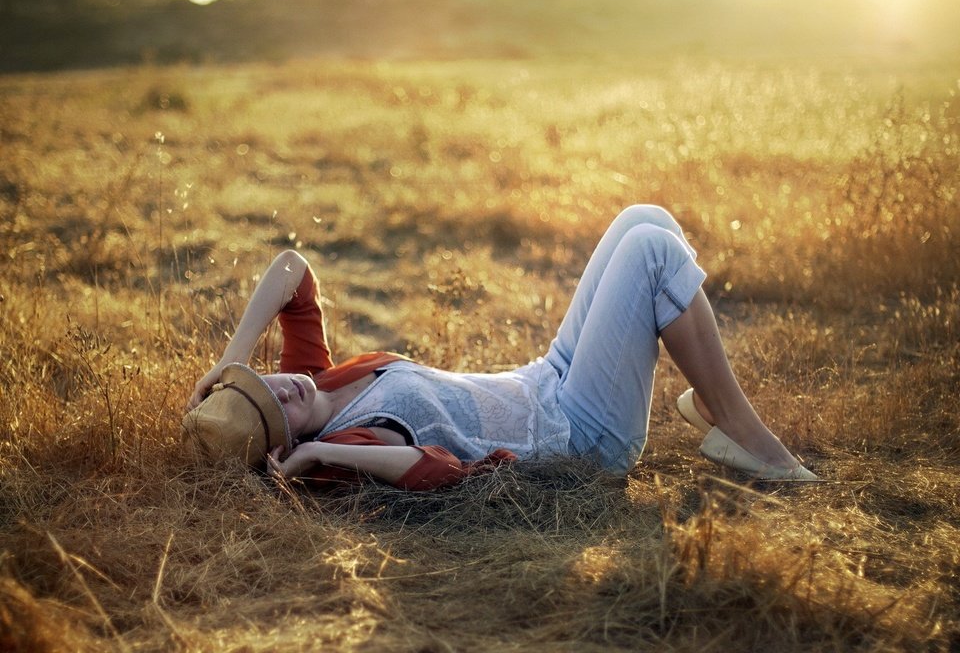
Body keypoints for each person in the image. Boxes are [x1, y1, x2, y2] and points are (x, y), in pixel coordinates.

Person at [182, 205, 817, 490]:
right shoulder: (346, 443)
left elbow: (292, 268)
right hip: (580, 435)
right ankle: (740, 430)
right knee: (652, 254)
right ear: (281, 446)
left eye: (264, 381)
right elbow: (434, 471)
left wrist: (231, 360)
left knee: (642, 219)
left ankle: (712, 402)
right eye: (277, 409)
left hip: (547, 379)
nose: (285, 388)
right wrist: (314, 451)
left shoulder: (313, 378)